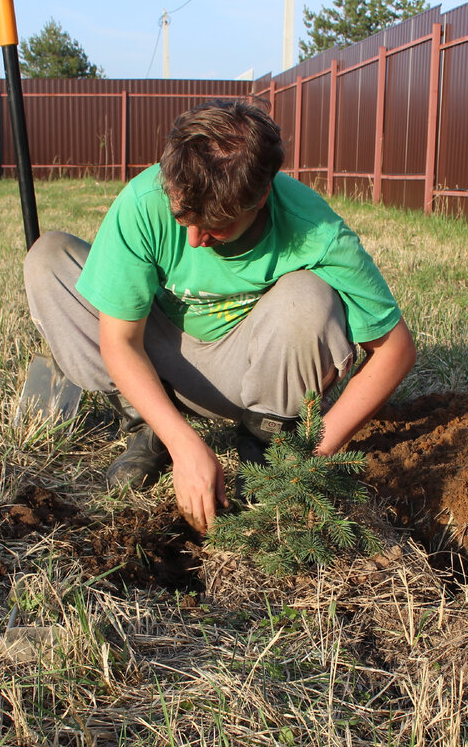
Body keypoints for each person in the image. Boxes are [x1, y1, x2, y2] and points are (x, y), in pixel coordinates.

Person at [23, 99, 416, 533]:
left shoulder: (314, 230)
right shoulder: (144, 200)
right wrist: (182, 442)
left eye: (216, 225)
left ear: (262, 195)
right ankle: (147, 425)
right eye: (183, 219)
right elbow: (119, 340)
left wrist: (318, 450)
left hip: (249, 373)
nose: (193, 240)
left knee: (310, 296)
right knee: (49, 258)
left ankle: (265, 441)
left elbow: (395, 350)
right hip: (159, 359)